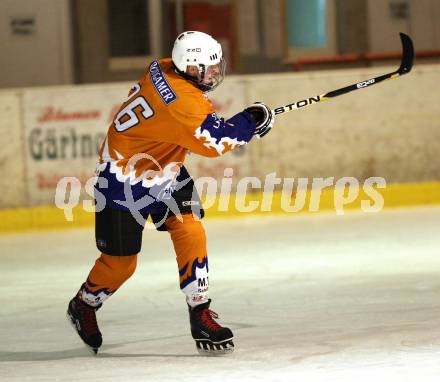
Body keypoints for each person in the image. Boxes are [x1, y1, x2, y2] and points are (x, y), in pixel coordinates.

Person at [67, 31, 275, 355]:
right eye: (208, 68)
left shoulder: (164, 67)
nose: (215, 74)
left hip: (163, 168)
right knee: (121, 265)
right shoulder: (181, 100)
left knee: (190, 228)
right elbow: (214, 142)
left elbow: (196, 123)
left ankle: (200, 312)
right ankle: (84, 303)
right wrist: (251, 120)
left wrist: (244, 122)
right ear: (189, 67)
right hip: (122, 175)